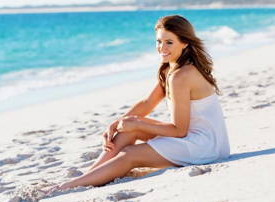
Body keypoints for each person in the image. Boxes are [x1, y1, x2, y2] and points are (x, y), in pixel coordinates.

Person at [51, 15, 230, 192]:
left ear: (185, 43)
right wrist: (117, 124)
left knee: (129, 153)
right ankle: (90, 175)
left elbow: (179, 130)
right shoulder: (171, 68)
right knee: (130, 127)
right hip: (196, 139)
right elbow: (148, 102)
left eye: (169, 42)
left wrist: (136, 122)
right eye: (159, 41)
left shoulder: (181, 76)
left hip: (206, 146)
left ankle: (68, 187)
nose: (162, 48)